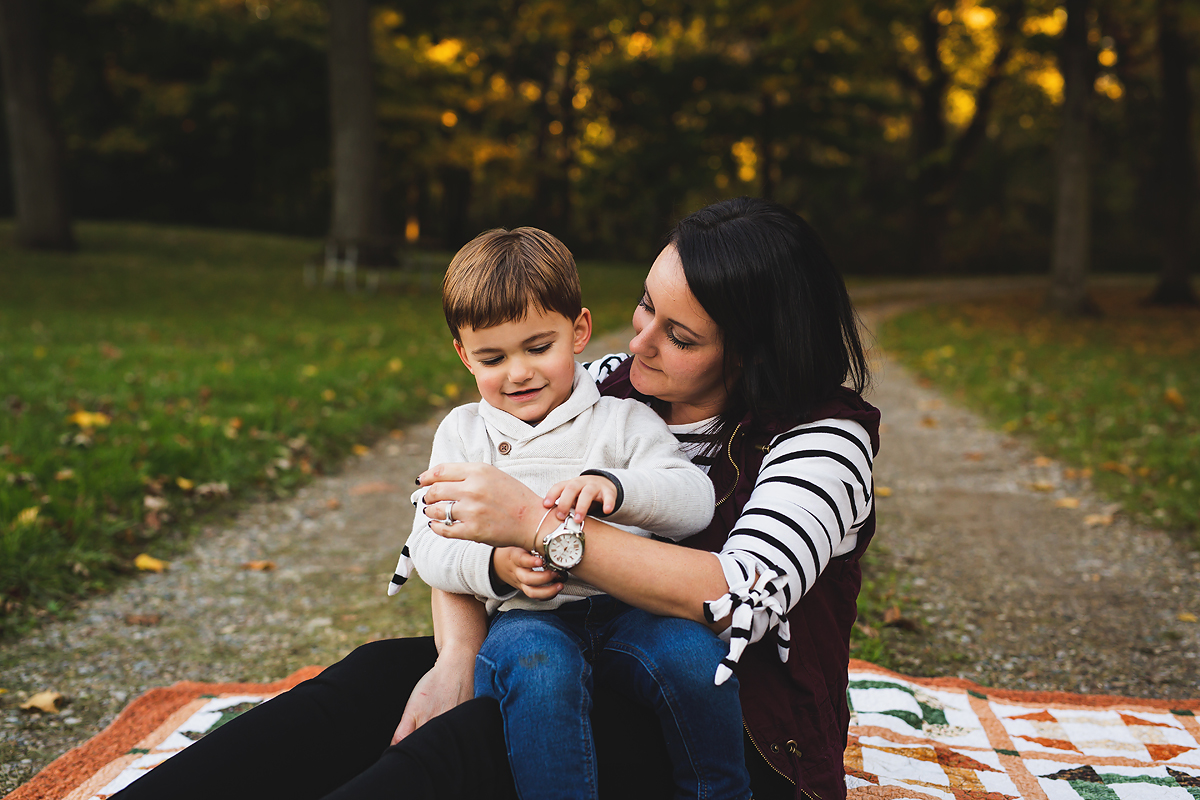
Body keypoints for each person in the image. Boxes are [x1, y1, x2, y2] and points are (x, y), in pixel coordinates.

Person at [111, 196, 878, 800]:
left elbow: (742, 598)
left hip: (727, 717)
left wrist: (539, 527)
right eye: (646, 305)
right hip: (565, 636)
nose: (640, 342)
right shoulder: (602, 379)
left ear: (752, 351)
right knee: (373, 685)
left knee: (469, 751)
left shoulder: (823, 439)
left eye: (681, 336)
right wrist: (456, 657)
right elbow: (446, 524)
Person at [386, 226, 749, 800]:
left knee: (695, 655)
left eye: (538, 347)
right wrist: (497, 566)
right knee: (540, 668)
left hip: (629, 610)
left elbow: (693, 499)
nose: (519, 373)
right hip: (526, 617)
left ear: (578, 331)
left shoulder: (622, 421)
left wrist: (618, 487)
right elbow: (431, 545)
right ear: (462, 354)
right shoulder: (462, 433)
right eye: (492, 357)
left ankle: (720, 792)